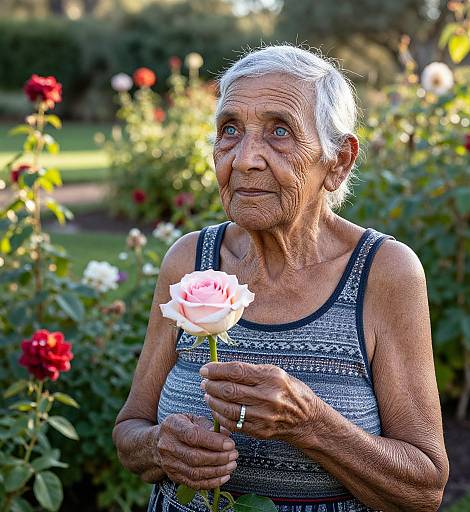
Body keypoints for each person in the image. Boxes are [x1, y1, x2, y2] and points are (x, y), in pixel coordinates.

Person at [112, 45, 450, 512]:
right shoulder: (190, 260)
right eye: (230, 130)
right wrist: (160, 447)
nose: (245, 158)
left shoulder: (384, 272)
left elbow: (424, 488)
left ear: (338, 162)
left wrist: (310, 423)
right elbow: (131, 428)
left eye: (279, 131)